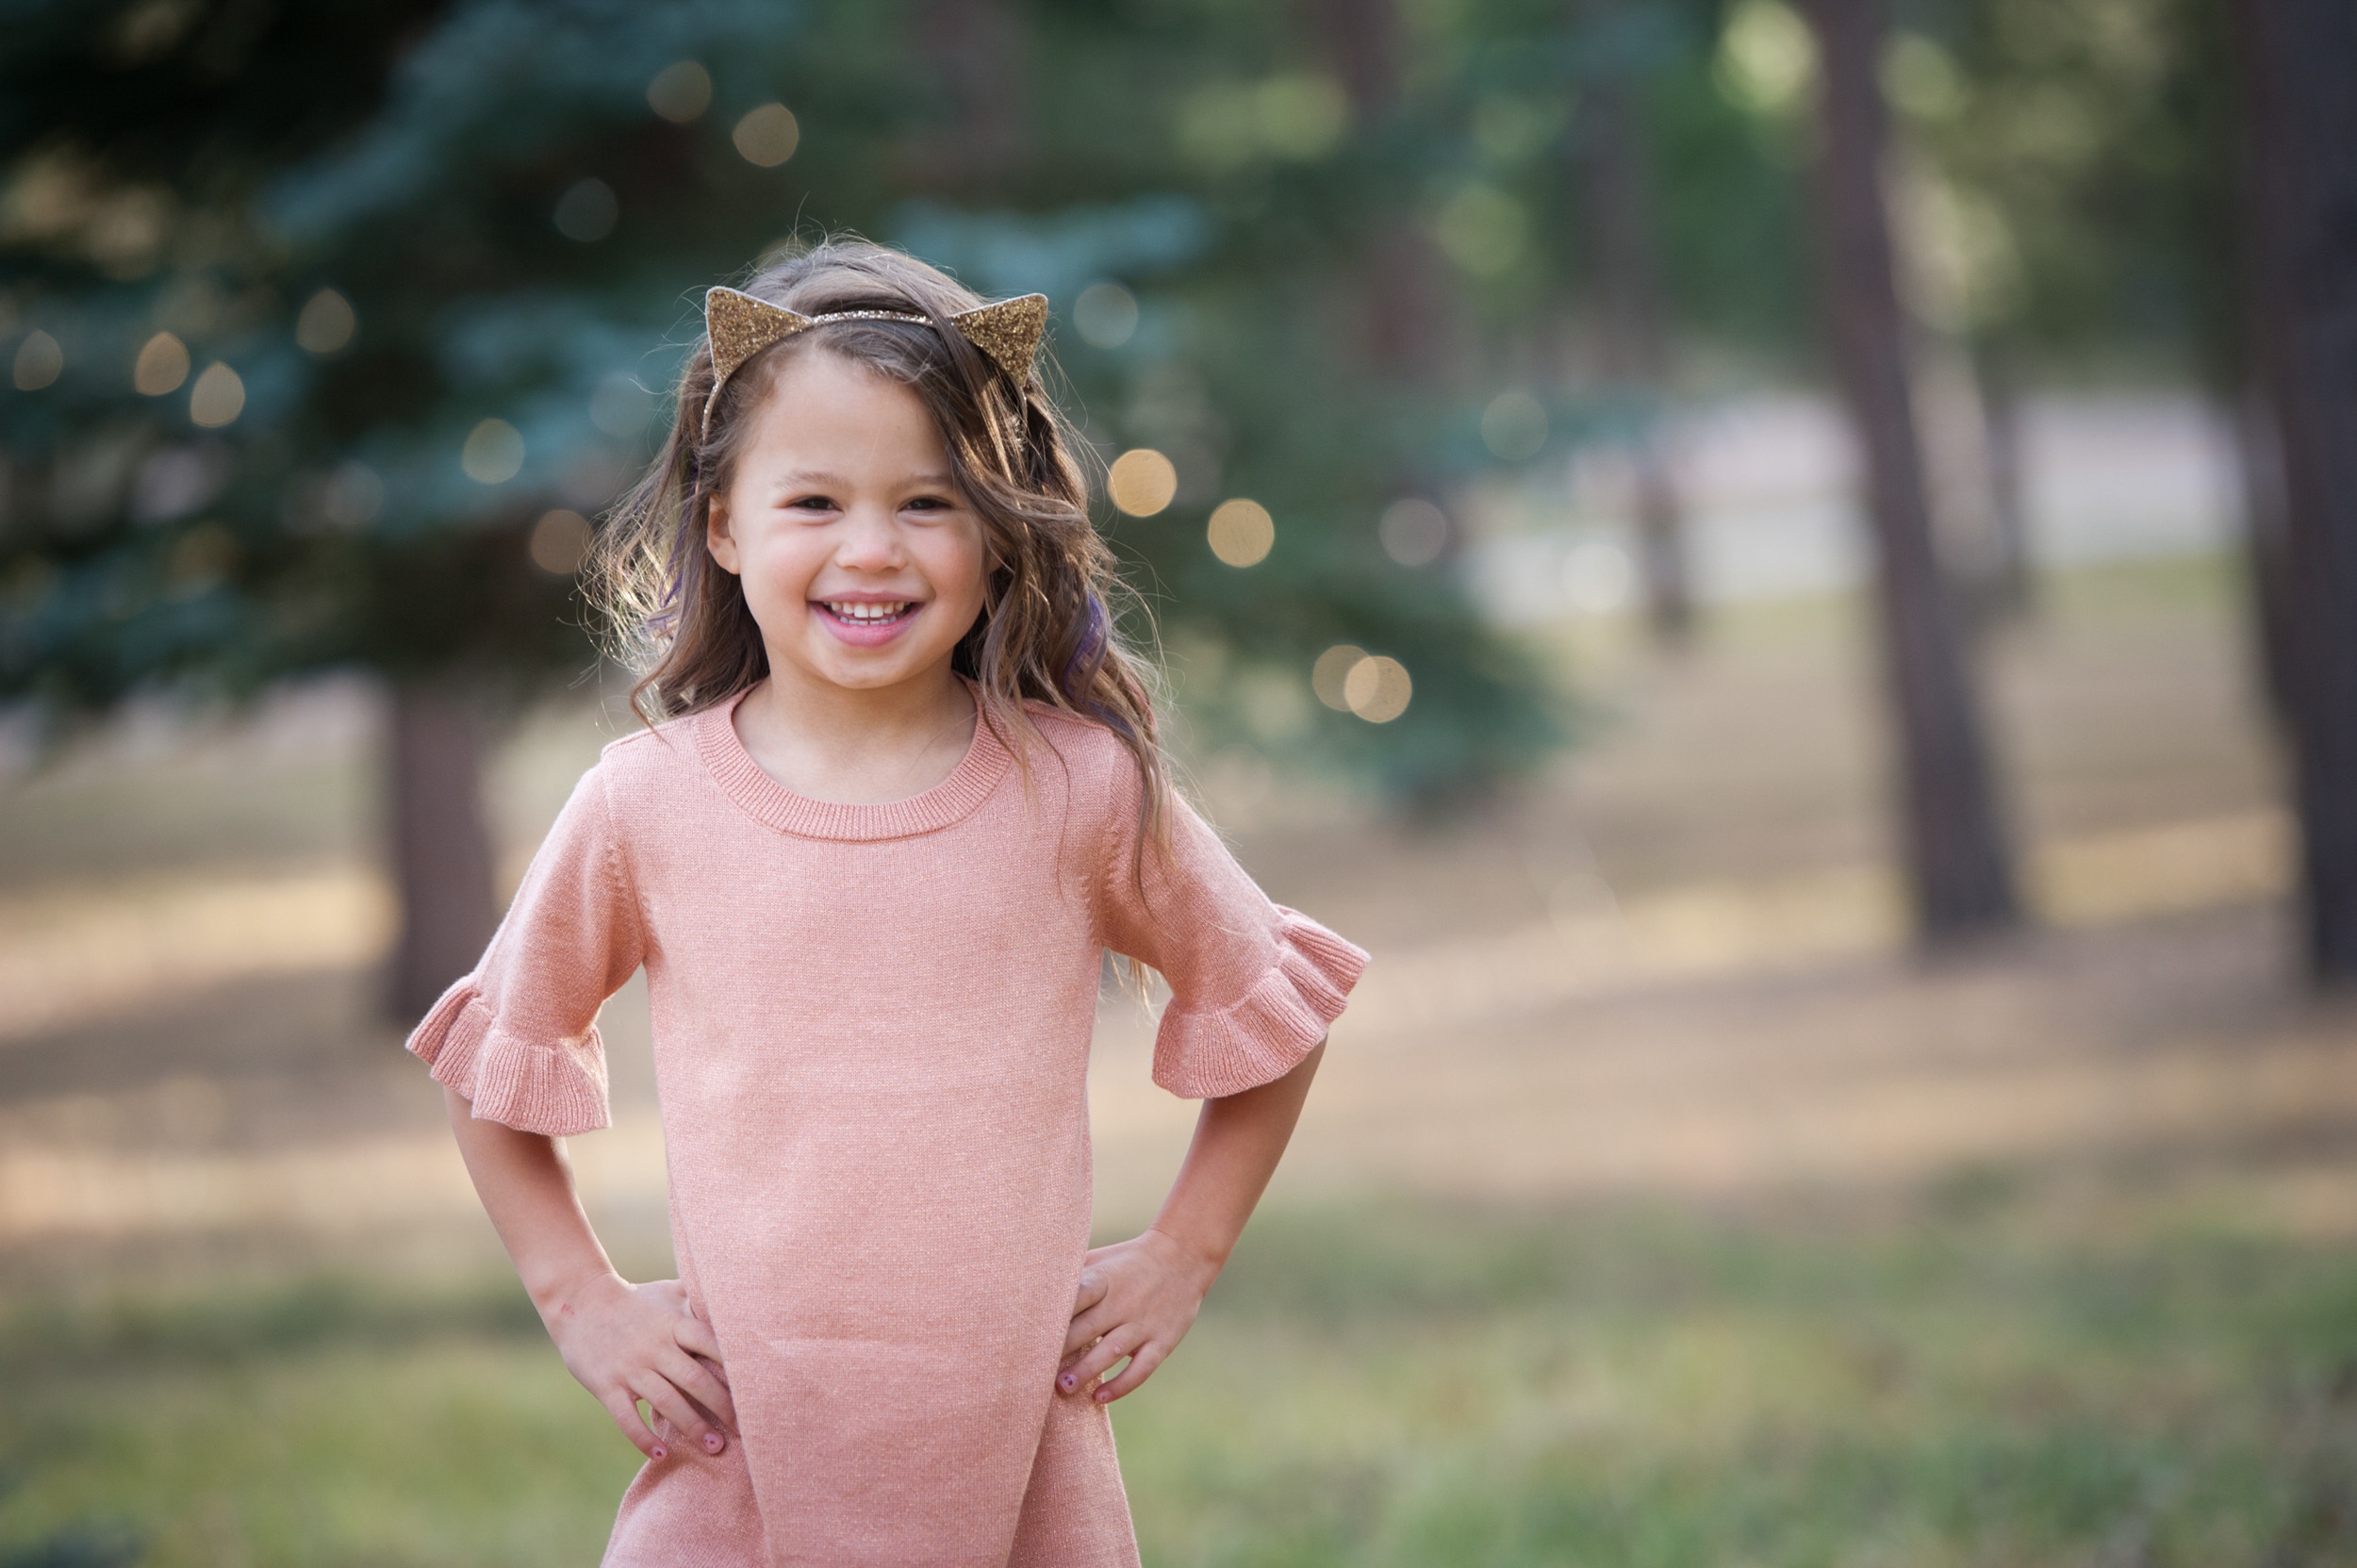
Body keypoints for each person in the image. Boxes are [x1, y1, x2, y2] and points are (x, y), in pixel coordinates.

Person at [407, 239, 1367, 1567]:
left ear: (998, 530)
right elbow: (491, 1062)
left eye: (928, 502)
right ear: (724, 524)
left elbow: (1272, 1011)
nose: (873, 548)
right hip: (741, 1460)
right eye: (815, 502)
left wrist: (1182, 1255)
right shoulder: (645, 803)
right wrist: (583, 1299)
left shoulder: (1079, 788)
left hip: (1011, 1464)